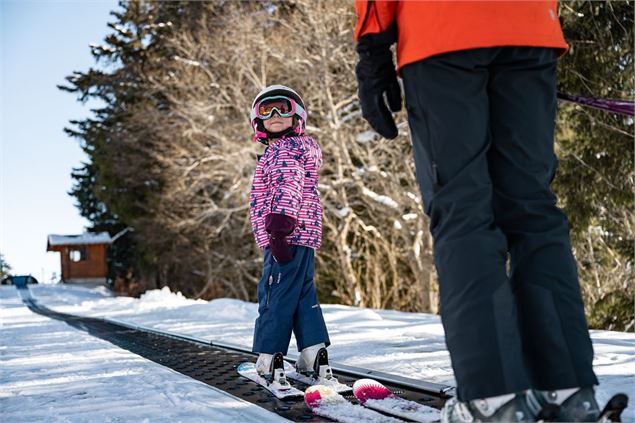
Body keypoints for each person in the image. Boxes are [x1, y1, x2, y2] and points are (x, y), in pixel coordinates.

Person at [354, 2, 601, 422]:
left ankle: (492, 396)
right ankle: (566, 387)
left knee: (462, 212)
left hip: (442, 32)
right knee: (533, 209)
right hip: (529, 29)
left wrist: (372, 47)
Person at [248, 84, 331, 380]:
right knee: (302, 295)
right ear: (258, 122)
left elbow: (287, 187)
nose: (274, 115)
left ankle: (269, 357)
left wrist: (279, 229)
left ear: (297, 116)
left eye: (282, 108)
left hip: (285, 233)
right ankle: (314, 355)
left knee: (275, 294)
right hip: (304, 236)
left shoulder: (282, 151)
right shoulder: (299, 149)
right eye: (266, 111)